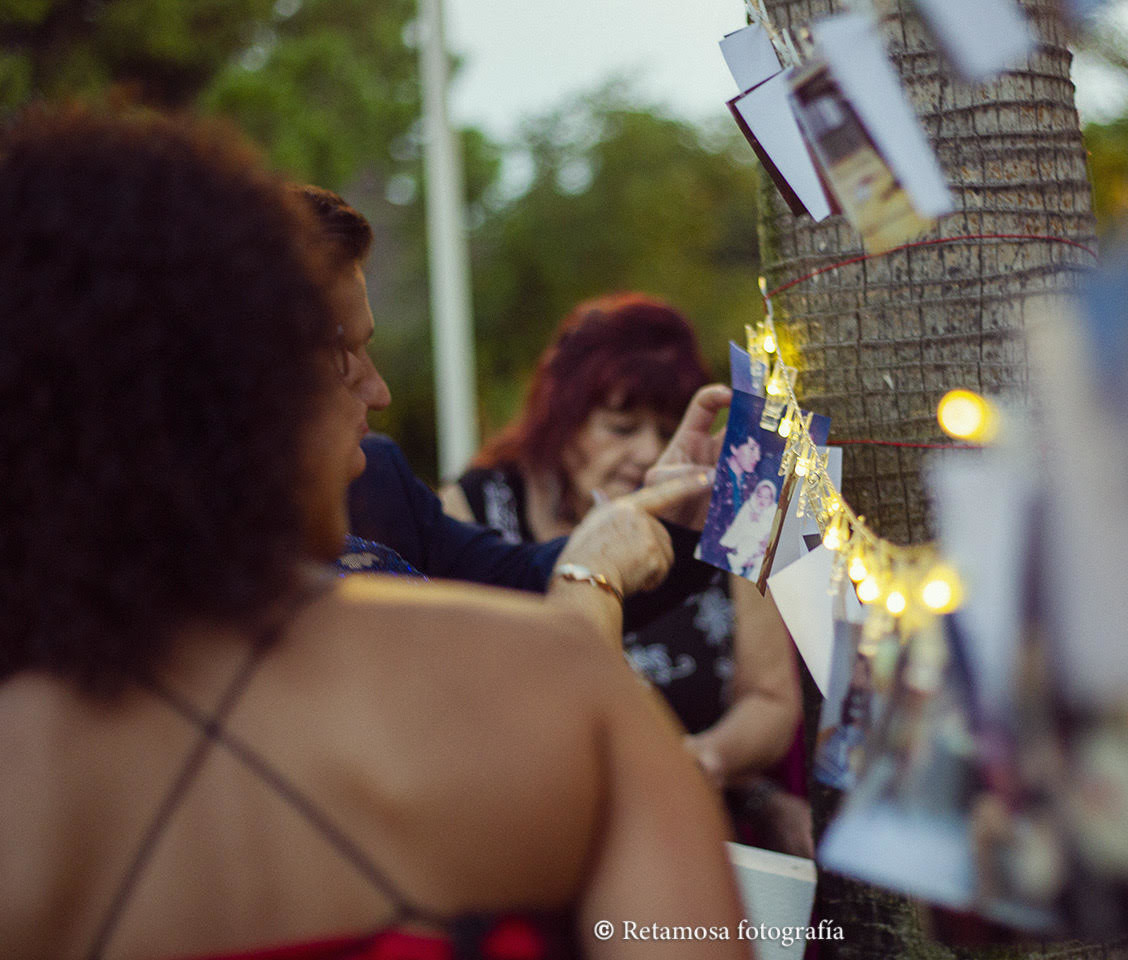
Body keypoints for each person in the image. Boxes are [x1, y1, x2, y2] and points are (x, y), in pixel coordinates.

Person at [0, 104, 747, 959]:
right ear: (227, 382)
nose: (380, 390)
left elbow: (512, 578)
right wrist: (590, 590)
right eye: (338, 353)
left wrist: (662, 517)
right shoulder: (560, 685)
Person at [444, 294, 810, 855]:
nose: (649, 451)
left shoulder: (728, 505)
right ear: (560, 420)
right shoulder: (473, 510)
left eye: (666, 430)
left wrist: (699, 761)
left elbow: (771, 701)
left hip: (689, 828)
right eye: (621, 427)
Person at [297, 186, 728, 636]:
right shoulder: (220, 588)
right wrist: (588, 575)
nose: (379, 391)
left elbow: (517, 586)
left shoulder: (381, 480)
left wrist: (664, 526)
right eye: (344, 359)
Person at [719, 480, 779, 579]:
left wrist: (767, 536)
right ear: (755, 495)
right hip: (746, 542)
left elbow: (772, 530)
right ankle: (738, 566)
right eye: (759, 496)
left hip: (761, 546)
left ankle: (750, 570)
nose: (762, 500)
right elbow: (739, 524)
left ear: (772, 500)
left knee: (759, 564)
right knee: (741, 552)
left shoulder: (772, 511)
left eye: (766, 497)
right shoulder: (749, 506)